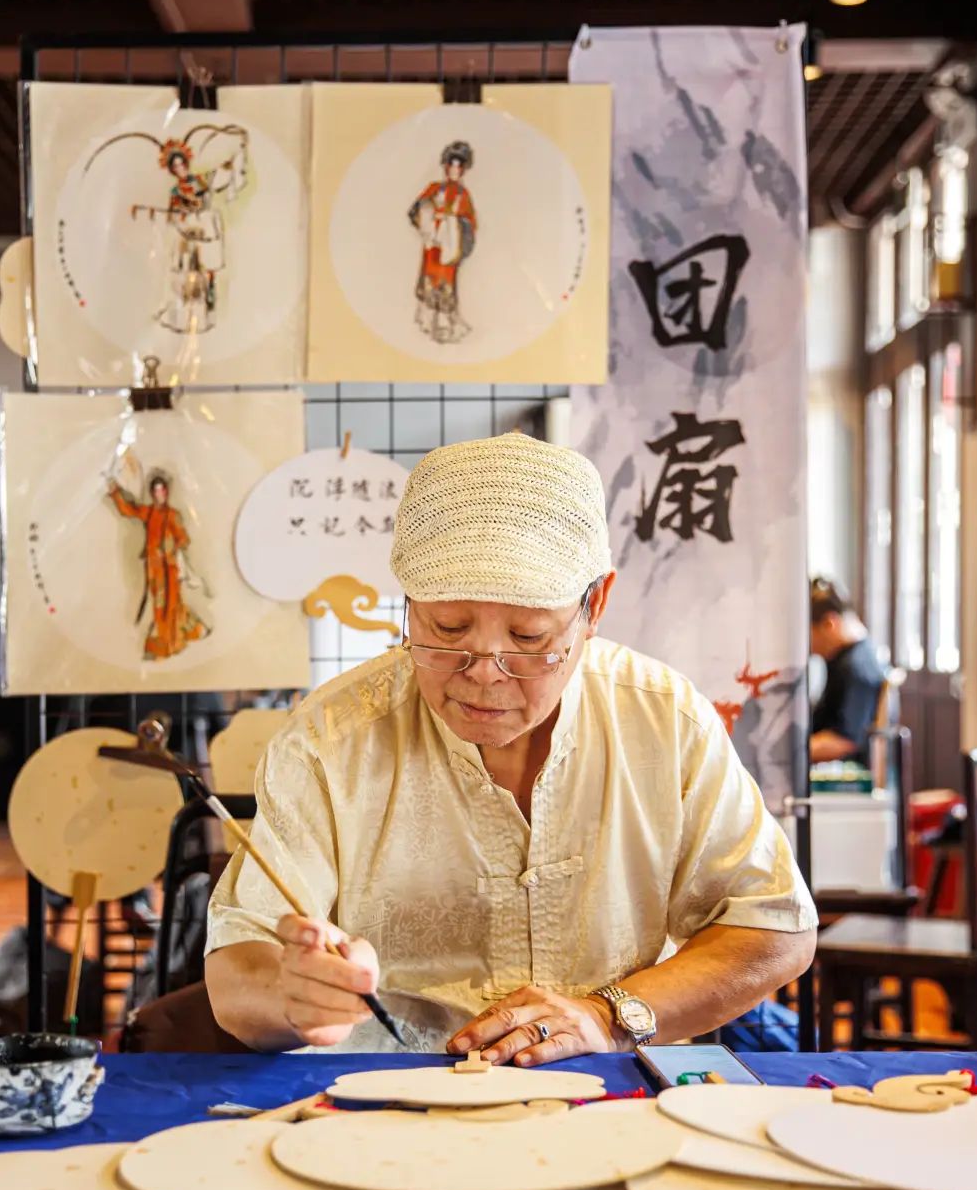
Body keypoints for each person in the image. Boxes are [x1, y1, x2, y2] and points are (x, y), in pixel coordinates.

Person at [206, 434, 816, 1062]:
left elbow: (775, 926)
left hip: (613, 1089)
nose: (484, 673)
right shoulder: (330, 739)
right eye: (447, 629)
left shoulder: (664, 719)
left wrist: (608, 1015)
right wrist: (291, 993)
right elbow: (236, 971)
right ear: (409, 605)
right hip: (390, 1090)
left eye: (528, 637)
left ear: (595, 605)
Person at [107, 468, 211, 662]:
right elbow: (128, 510)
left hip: (169, 569)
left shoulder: (173, 515)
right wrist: (114, 492)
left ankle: (166, 645)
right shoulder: (148, 512)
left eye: (162, 490)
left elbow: (183, 539)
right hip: (154, 570)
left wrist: (172, 545)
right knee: (163, 606)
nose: (159, 494)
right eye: (155, 491)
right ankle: (193, 631)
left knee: (169, 606)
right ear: (152, 493)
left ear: (166, 492)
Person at [809, 577, 886, 765]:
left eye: (809, 633)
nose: (808, 646)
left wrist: (787, 752)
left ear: (829, 624)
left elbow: (844, 741)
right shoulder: (842, 658)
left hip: (850, 775)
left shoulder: (857, 667)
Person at [408, 140, 476, 343]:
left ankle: (445, 322)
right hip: (432, 244)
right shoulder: (435, 188)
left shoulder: (463, 195)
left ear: (462, 170)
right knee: (430, 278)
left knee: (446, 281)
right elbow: (416, 210)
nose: (454, 170)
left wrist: (453, 221)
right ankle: (427, 320)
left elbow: (470, 222)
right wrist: (429, 216)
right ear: (446, 167)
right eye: (451, 166)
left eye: (458, 167)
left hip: (449, 245)